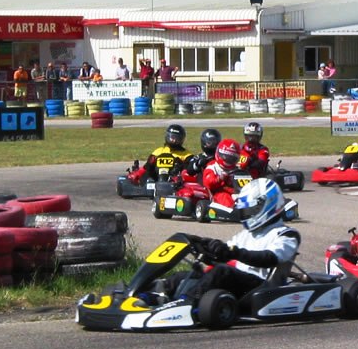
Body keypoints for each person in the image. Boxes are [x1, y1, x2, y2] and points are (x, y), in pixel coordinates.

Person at [157, 178, 300, 304]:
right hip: (235, 280)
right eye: (245, 211)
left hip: (259, 286)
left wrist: (234, 253)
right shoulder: (247, 234)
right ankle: (154, 296)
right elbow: (226, 253)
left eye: (250, 210)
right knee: (187, 276)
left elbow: (269, 258)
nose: (247, 215)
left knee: (222, 272)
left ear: (268, 204)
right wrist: (208, 248)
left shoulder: (286, 234)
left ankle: (186, 303)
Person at [127, 124, 192, 184]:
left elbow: (190, 172)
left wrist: (180, 166)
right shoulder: (158, 151)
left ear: (181, 139)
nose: (174, 141)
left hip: (176, 183)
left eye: (177, 139)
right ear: (167, 136)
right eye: (172, 138)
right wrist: (138, 173)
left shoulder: (186, 155)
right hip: (156, 180)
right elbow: (147, 167)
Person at [202, 138, 243, 209]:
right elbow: (208, 183)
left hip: (236, 192)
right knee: (224, 197)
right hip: (218, 193)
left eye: (232, 158)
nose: (229, 160)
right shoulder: (212, 167)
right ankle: (233, 209)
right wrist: (220, 178)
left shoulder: (237, 169)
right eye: (227, 157)